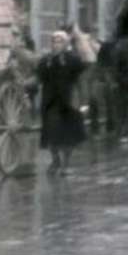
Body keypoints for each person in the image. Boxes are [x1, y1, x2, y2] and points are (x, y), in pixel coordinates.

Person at [37, 30, 88, 174]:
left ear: (65, 44)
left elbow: (80, 80)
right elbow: (39, 78)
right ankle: (55, 159)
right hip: (50, 101)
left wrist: (83, 102)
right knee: (51, 132)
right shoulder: (46, 61)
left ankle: (66, 164)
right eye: (54, 41)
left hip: (69, 101)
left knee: (68, 135)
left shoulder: (73, 60)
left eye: (59, 41)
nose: (56, 44)